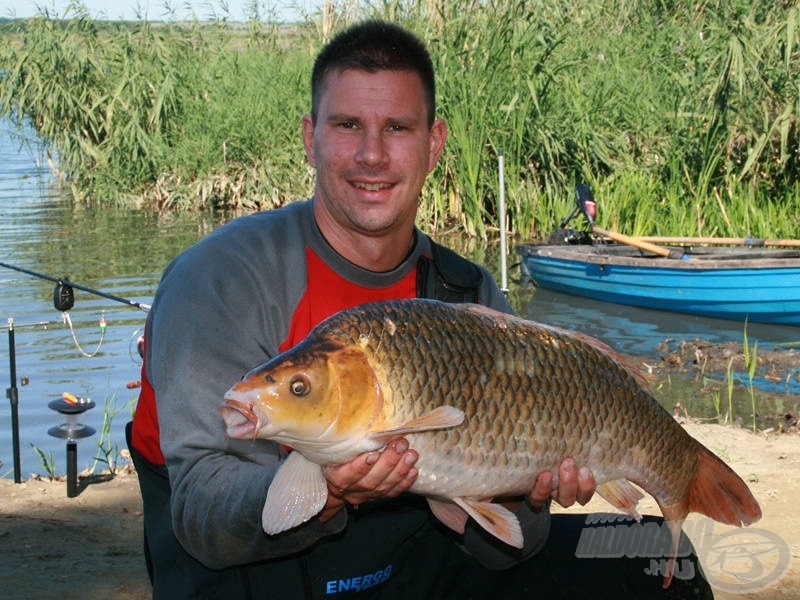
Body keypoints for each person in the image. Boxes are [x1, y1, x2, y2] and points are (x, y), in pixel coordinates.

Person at [127, 20, 712, 599]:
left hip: (413, 566)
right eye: (347, 124)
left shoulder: (466, 292)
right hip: (253, 577)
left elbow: (509, 547)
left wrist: (525, 492)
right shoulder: (221, 278)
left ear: (433, 145)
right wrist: (331, 493)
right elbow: (203, 515)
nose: (372, 154)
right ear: (310, 139)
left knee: (652, 566)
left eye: (398, 128)